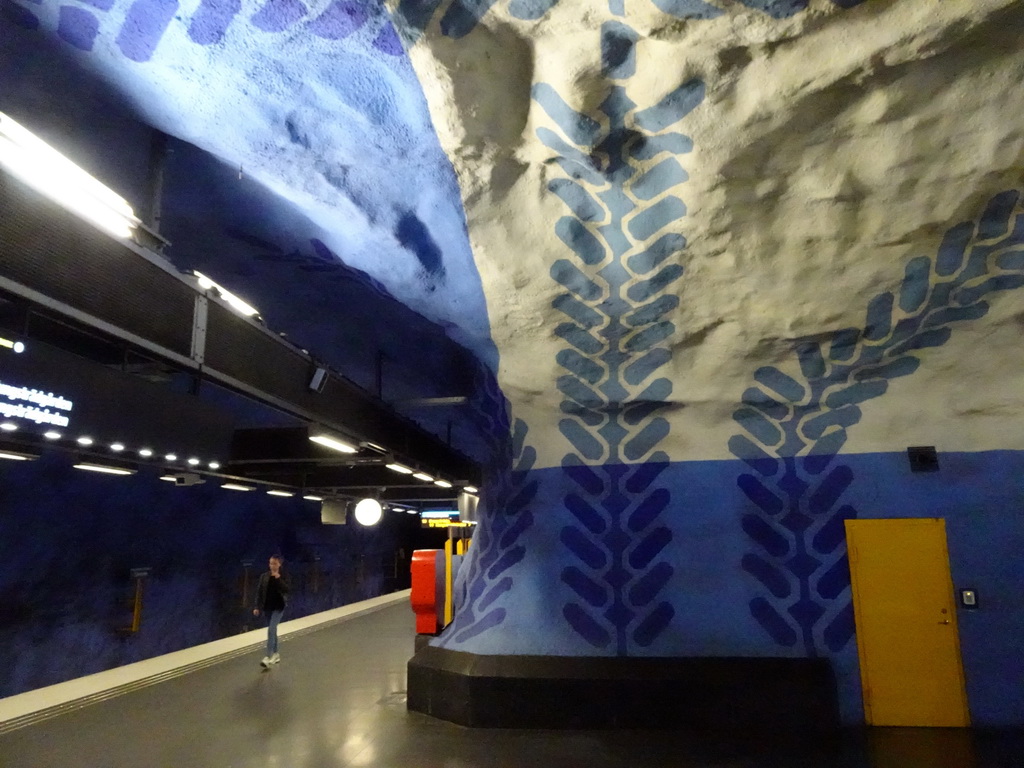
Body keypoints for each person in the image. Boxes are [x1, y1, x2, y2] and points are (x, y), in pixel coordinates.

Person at [252, 554, 289, 668]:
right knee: (273, 631)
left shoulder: (284, 576)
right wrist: (257, 607)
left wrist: (278, 579)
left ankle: (268, 656)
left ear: (279, 564)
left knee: (271, 629)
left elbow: (287, 589)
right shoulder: (264, 577)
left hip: (279, 607)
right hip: (267, 608)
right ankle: (276, 654)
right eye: (270, 563)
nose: (272, 565)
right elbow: (259, 592)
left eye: (274, 563)